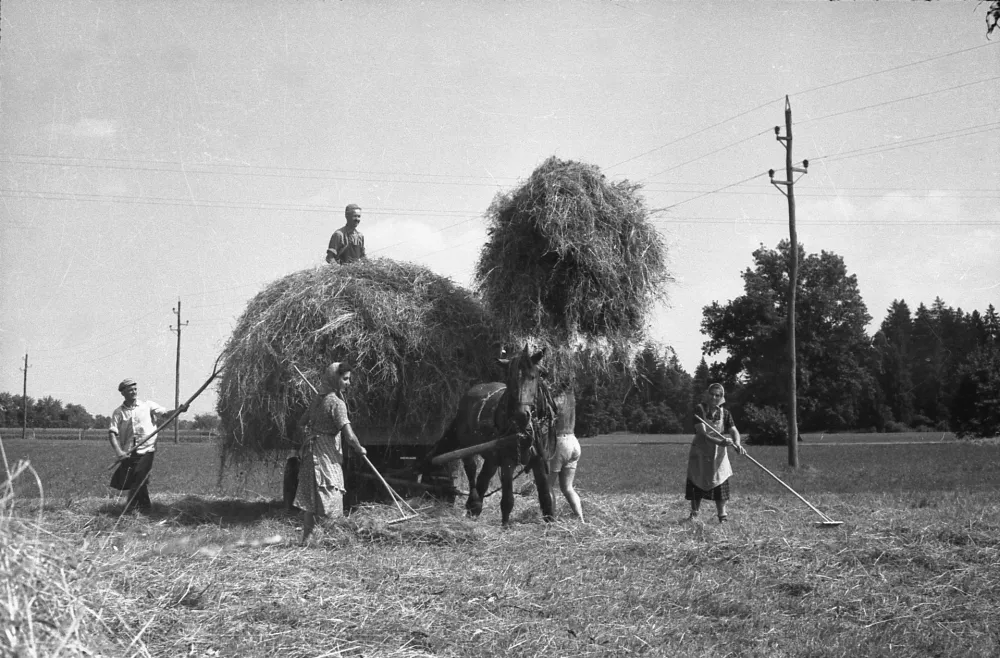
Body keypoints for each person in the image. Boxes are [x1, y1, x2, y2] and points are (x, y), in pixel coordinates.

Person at [295, 361, 367, 545]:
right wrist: (359, 449)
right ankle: (333, 540)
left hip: (311, 452)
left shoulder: (317, 400)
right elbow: (349, 436)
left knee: (312, 498)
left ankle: (307, 539)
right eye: (345, 379)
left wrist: (310, 436)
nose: (348, 383)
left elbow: (301, 424)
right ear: (334, 378)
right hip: (326, 454)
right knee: (331, 492)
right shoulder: (336, 403)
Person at [108, 378, 188, 514]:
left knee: (140, 476)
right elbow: (112, 433)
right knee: (134, 480)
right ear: (123, 393)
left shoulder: (147, 406)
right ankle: (143, 508)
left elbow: (166, 414)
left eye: (135, 389)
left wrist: (179, 410)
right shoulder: (118, 412)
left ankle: (136, 508)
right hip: (128, 451)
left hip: (147, 449)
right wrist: (119, 452)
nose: (133, 392)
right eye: (130, 390)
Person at [686, 383, 744, 523]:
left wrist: (737, 443)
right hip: (700, 452)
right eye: (712, 394)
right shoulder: (699, 410)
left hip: (718, 455)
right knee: (696, 481)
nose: (714, 397)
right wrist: (720, 442)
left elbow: (733, 430)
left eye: (717, 395)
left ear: (721, 397)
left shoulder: (725, 413)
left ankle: (722, 516)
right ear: (707, 394)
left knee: (720, 481)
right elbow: (702, 433)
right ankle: (694, 514)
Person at [546, 385, 584, 521]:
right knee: (567, 487)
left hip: (560, 442)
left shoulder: (556, 400)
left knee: (547, 485)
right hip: (573, 441)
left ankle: (551, 519)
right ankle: (581, 519)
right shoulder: (571, 398)